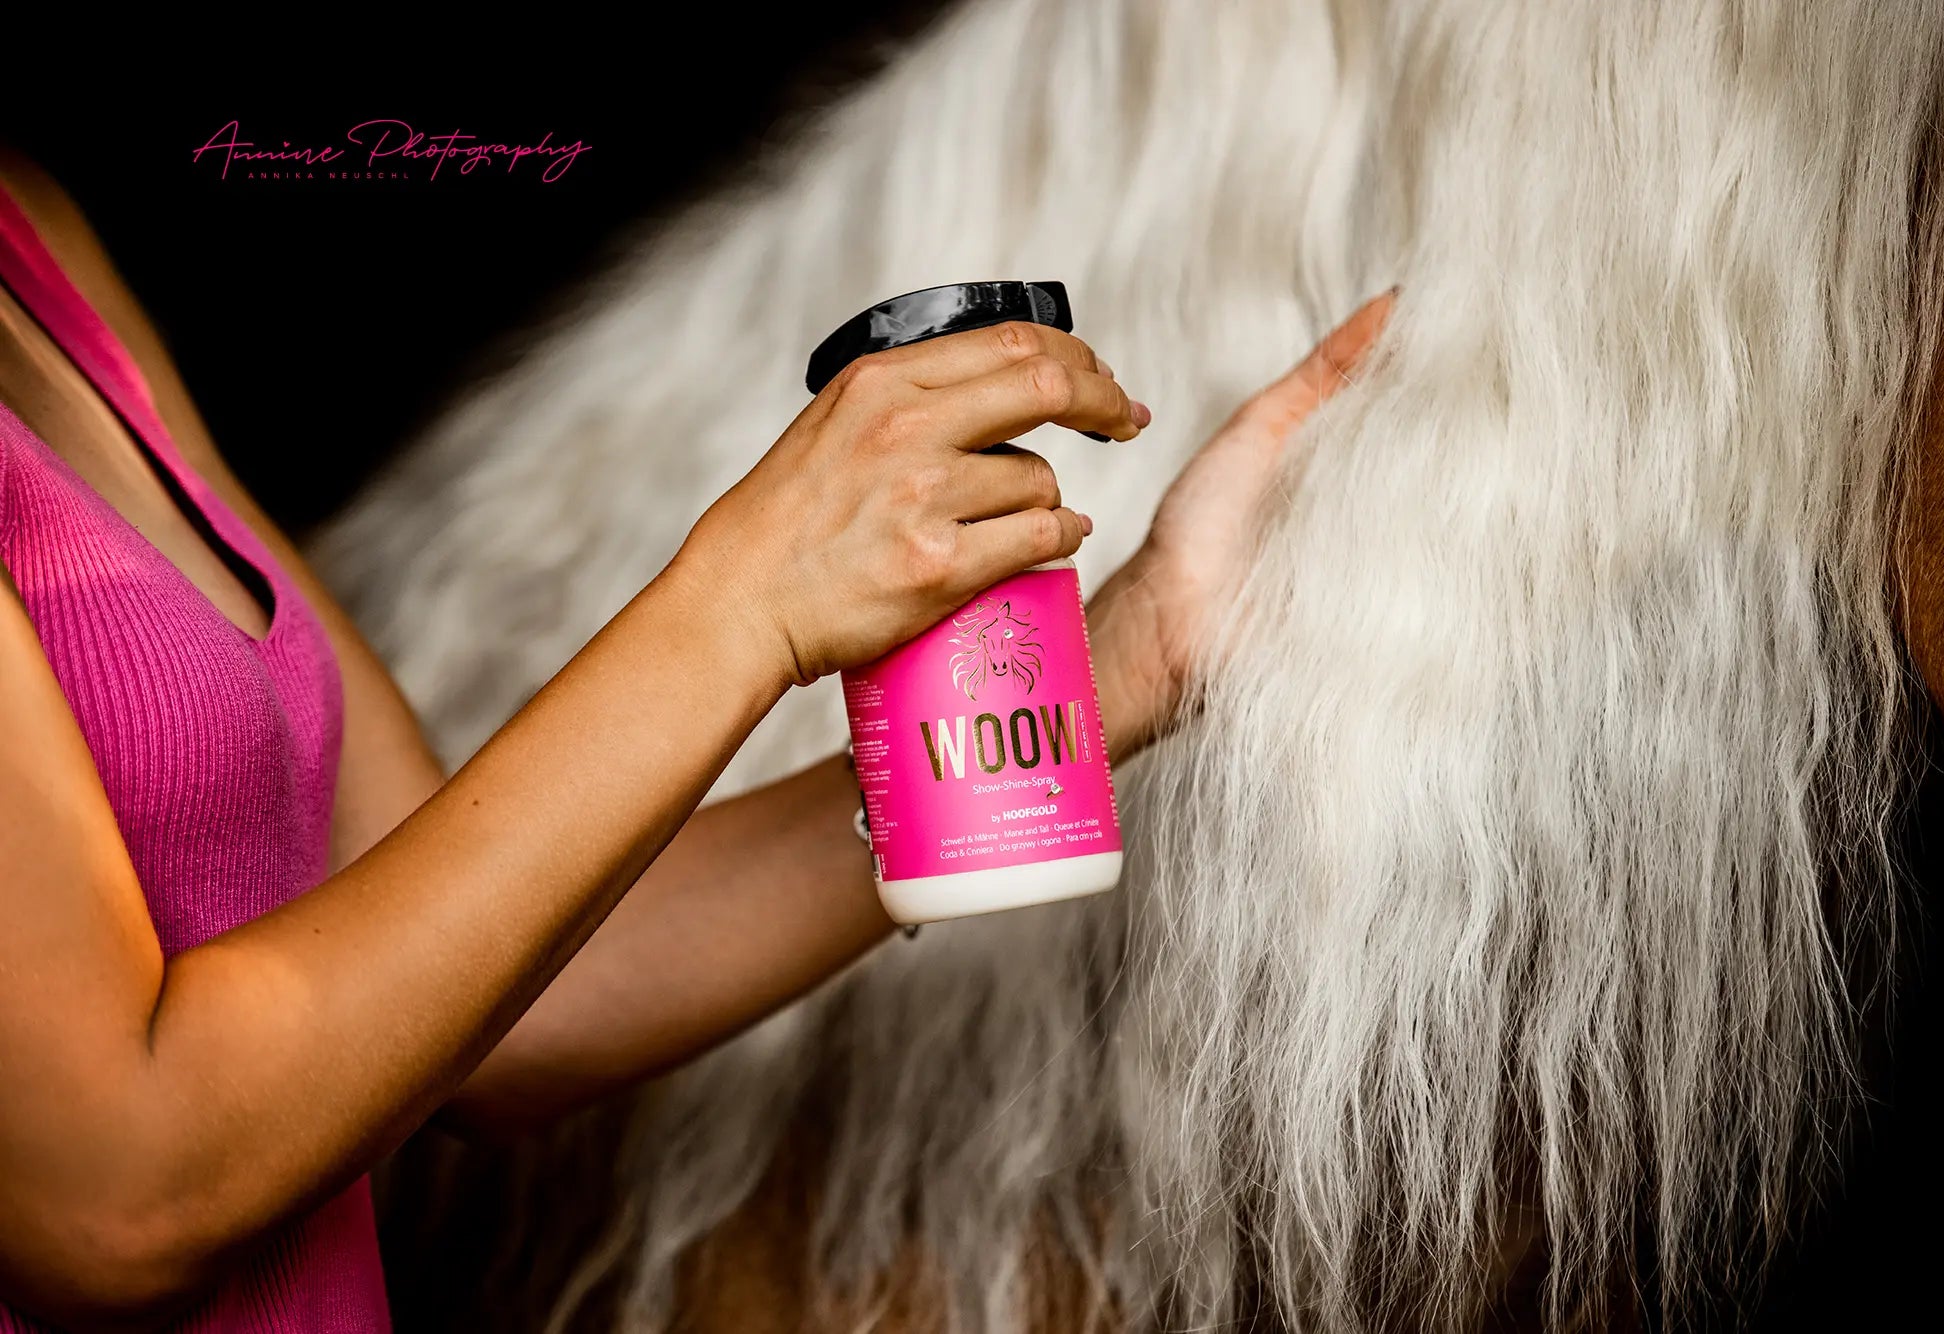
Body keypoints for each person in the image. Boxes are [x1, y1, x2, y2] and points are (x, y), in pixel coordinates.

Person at [0, 145, 1394, 1332]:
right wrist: (747, 597)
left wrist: (1139, 647)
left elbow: (505, 1000)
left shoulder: (38, 241)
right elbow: (122, 1191)